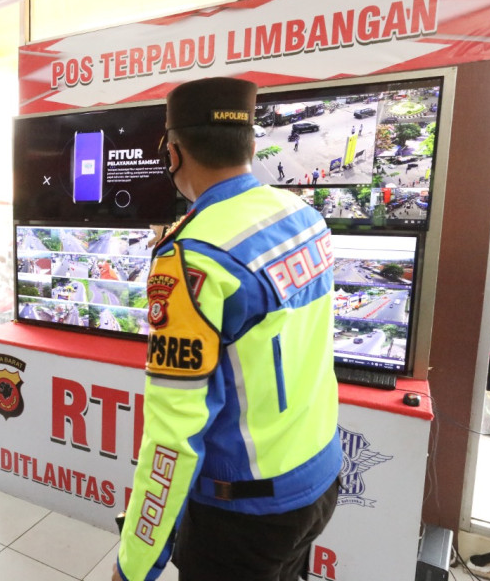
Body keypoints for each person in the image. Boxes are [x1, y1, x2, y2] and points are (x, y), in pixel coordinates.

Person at [113, 77, 341, 581]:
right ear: (252, 145)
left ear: (173, 153)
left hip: (245, 515)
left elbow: (173, 433)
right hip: (320, 478)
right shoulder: (305, 215)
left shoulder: (191, 258)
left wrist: (134, 565)